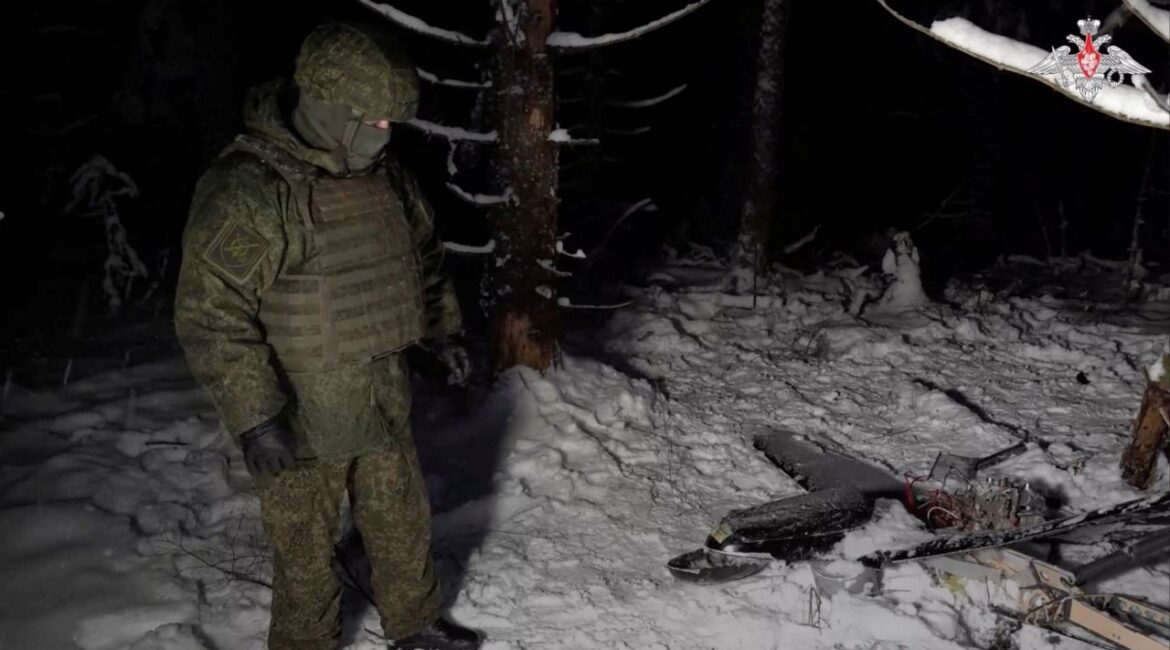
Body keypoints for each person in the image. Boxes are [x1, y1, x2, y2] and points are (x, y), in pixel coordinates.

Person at [174, 21, 482, 650]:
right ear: (328, 108)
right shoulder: (252, 189)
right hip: (301, 409)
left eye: (389, 123)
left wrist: (440, 334)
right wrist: (256, 416)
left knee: (401, 519)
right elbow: (211, 312)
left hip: (380, 389)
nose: (384, 134)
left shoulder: (385, 176)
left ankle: (415, 625)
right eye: (371, 121)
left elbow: (419, 256)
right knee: (304, 553)